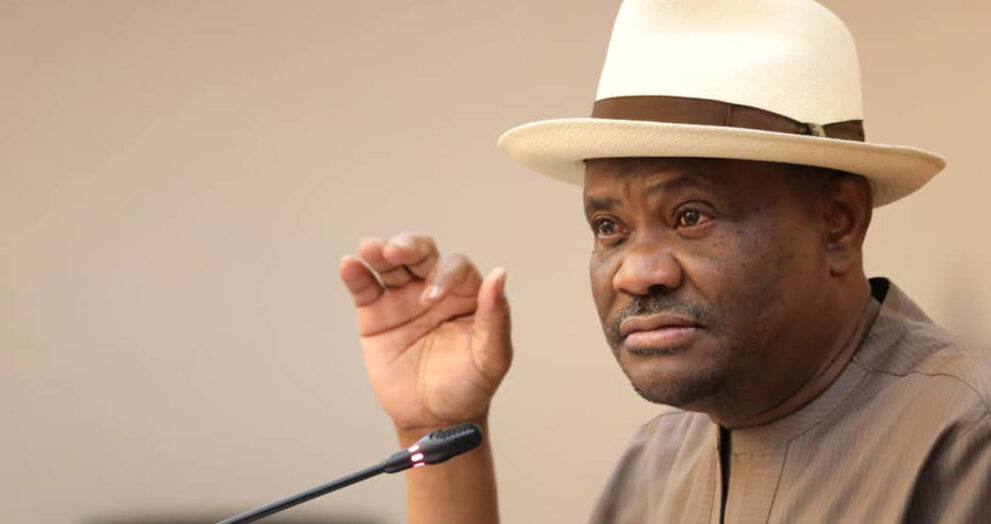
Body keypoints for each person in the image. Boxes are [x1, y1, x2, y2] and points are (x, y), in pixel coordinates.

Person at [338, 0, 991, 522]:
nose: (635, 273)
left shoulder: (966, 438)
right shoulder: (656, 460)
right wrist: (441, 426)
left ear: (837, 221)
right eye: (609, 227)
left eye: (691, 216)